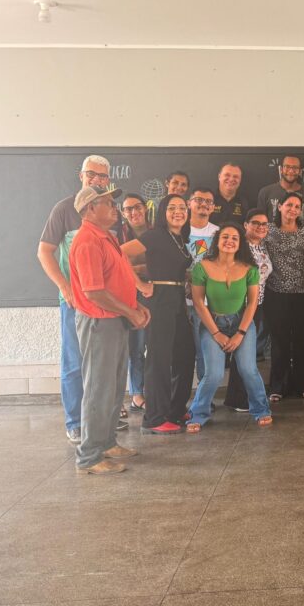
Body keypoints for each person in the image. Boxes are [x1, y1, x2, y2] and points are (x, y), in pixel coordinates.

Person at [69, 186, 150, 474]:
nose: (116, 208)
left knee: (114, 386)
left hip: (115, 320)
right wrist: (130, 311)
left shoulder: (108, 237)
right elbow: (94, 292)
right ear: (90, 209)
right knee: (98, 388)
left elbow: (119, 278)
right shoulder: (88, 241)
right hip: (99, 322)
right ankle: (89, 457)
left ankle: (106, 443)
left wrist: (135, 305)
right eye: (108, 203)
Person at [38, 154, 114, 444]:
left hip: (105, 301)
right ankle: (76, 422)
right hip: (74, 303)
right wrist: (65, 287)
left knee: (103, 363)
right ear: (80, 175)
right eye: (91, 174)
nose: (96, 179)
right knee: (74, 362)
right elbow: (44, 252)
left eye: (102, 176)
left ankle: (101, 420)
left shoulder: (110, 210)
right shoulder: (64, 209)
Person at [121, 194, 196, 434]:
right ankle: (154, 419)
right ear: (163, 212)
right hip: (159, 300)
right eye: (172, 207)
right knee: (159, 358)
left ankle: (174, 409)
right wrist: (140, 285)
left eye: (182, 207)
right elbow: (120, 254)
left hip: (177, 300)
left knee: (185, 354)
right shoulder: (155, 235)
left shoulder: (180, 238)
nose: (178, 211)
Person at [189, 222, 271, 429]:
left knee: (248, 369)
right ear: (217, 241)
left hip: (241, 322)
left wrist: (240, 333)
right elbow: (198, 303)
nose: (229, 241)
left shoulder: (250, 269)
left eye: (235, 238)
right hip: (212, 323)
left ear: (240, 243)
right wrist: (216, 333)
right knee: (214, 374)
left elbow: (252, 303)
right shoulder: (201, 267)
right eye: (225, 237)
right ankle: (198, 414)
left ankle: (261, 409)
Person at [264, 191, 304, 400]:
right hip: (276, 293)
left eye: (297, 206)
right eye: (289, 205)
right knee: (279, 341)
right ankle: (278, 386)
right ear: (279, 206)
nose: (293, 209)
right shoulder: (268, 230)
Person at [222, 208, 273, 410]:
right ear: (246, 225)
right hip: (240, 305)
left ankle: (237, 396)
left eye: (264, 224)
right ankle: (239, 398)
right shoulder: (239, 246)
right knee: (242, 353)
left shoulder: (262, 246)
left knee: (246, 352)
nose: (261, 227)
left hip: (257, 304)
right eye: (255, 223)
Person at [119, 193, 150, 411]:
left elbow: (162, 263)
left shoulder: (157, 232)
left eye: (137, 207)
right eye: (128, 209)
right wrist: (140, 272)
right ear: (123, 213)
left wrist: (135, 268)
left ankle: (155, 390)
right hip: (129, 296)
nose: (134, 212)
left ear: (145, 208)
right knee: (136, 347)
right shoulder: (118, 235)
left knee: (156, 346)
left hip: (156, 292)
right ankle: (137, 394)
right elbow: (116, 265)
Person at [185, 188, 219, 381]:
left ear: (213, 207)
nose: (204, 204)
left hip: (206, 303)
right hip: (179, 301)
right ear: (189, 203)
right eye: (198, 199)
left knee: (204, 351)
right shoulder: (179, 228)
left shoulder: (217, 233)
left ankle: (204, 393)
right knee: (181, 351)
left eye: (208, 201)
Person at [257, 154, 304, 222]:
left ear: (300, 171)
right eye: (287, 166)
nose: (291, 171)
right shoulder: (265, 193)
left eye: (295, 167)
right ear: (281, 169)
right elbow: (260, 221)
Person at [210, 162, 251, 227]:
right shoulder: (209, 199)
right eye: (227, 175)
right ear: (219, 177)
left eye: (236, 176)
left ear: (240, 180)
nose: (231, 179)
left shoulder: (245, 203)